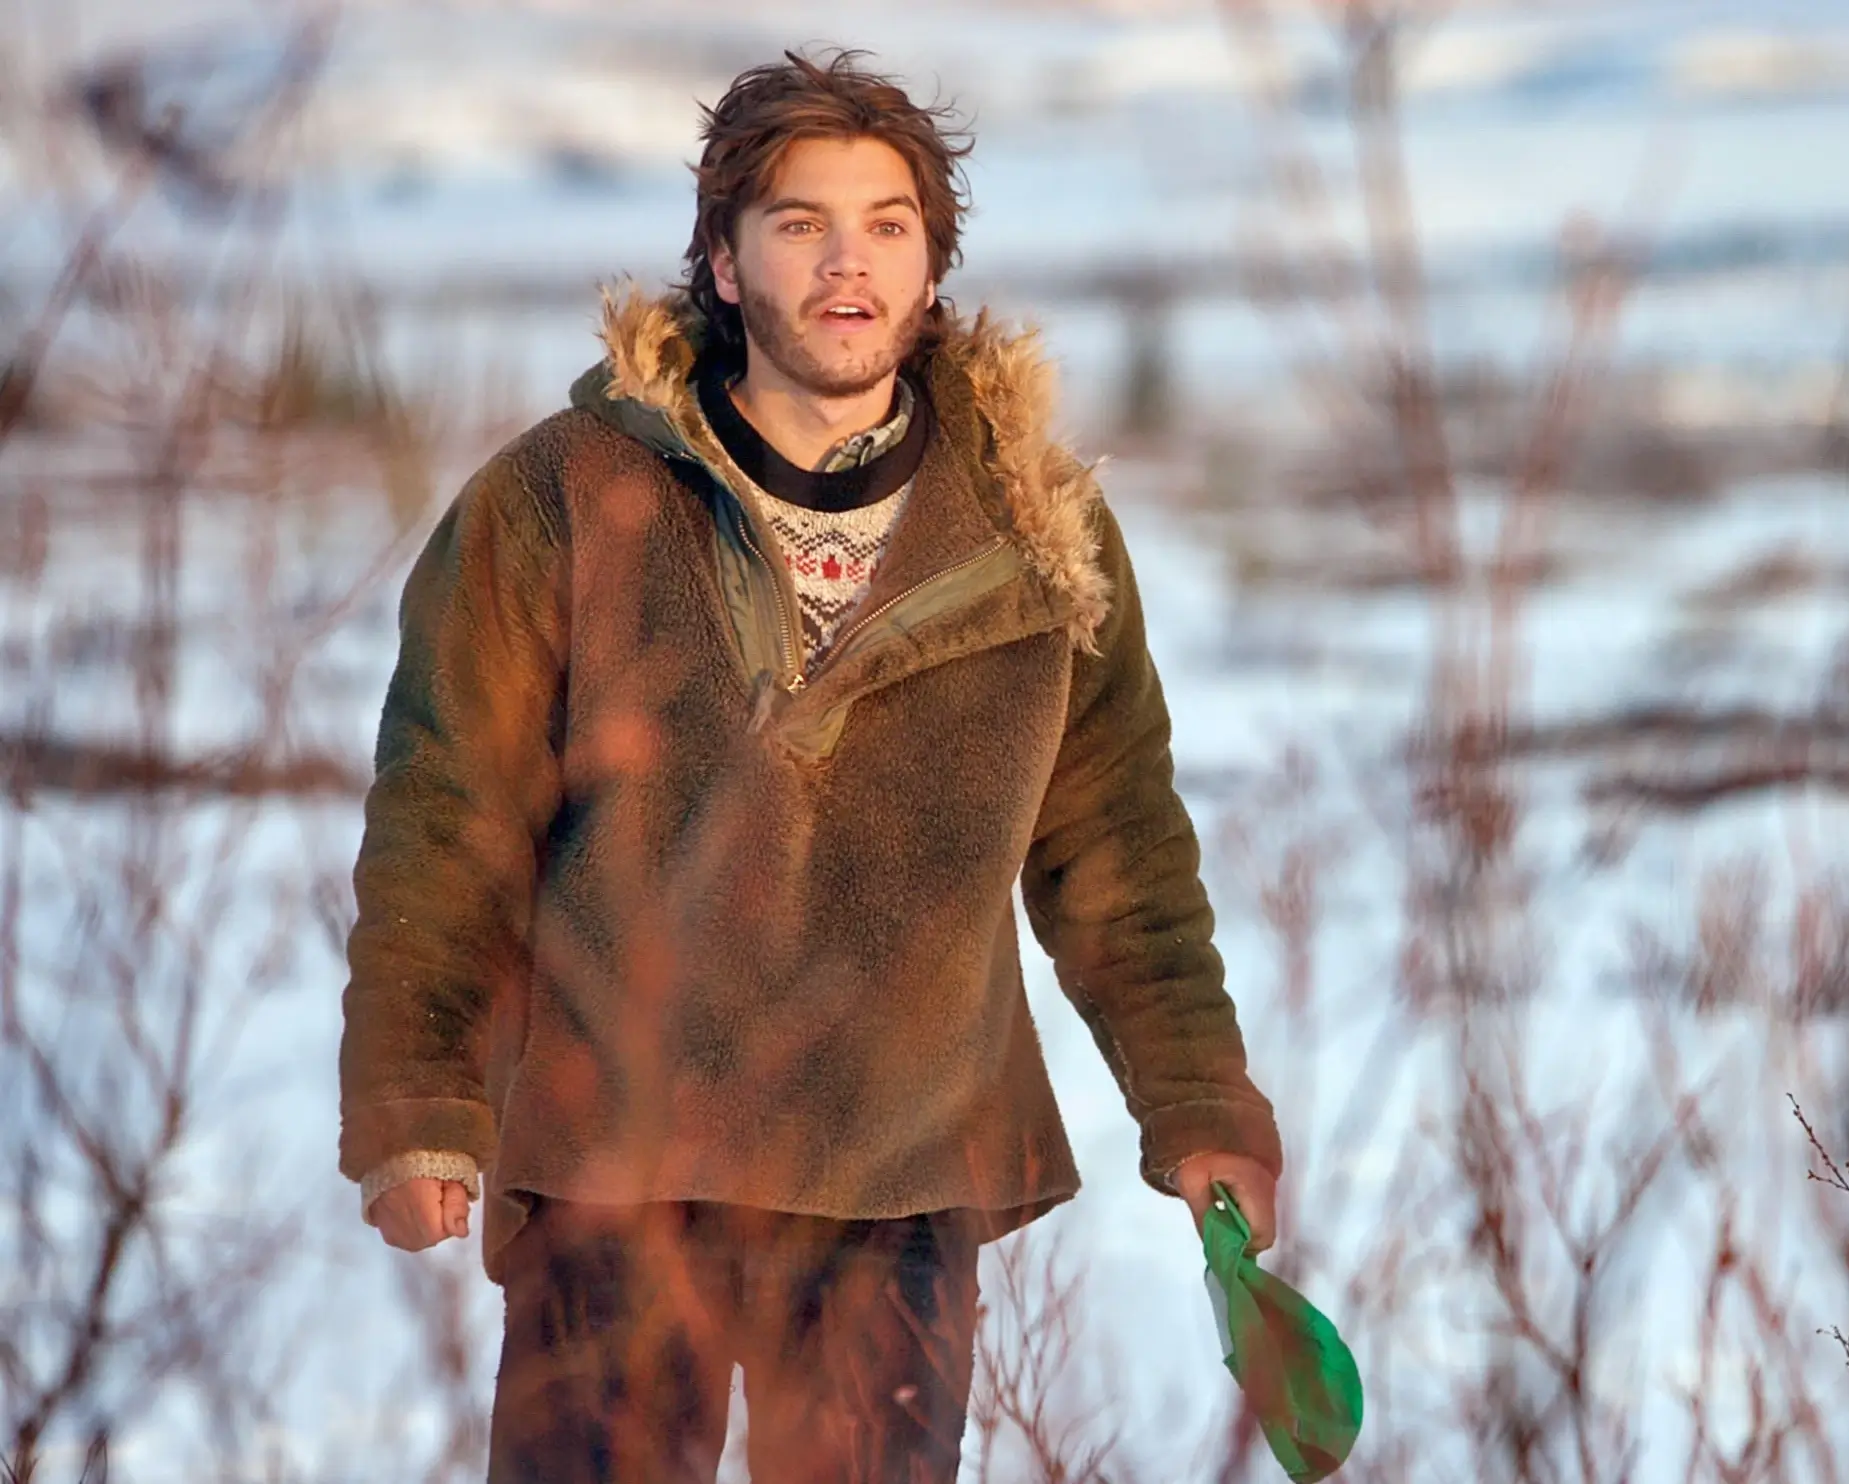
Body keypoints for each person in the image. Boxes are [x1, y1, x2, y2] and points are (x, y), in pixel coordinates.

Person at [335, 48, 1285, 1483]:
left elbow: (1116, 843)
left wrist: (1198, 1098)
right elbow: (447, 813)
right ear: (722, 261)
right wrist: (419, 1104)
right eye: (801, 224)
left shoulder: (1032, 527)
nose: (849, 264)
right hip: (615, 1162)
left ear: (931, 262)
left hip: (893, 1178)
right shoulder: (567, 498)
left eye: (888, 225)